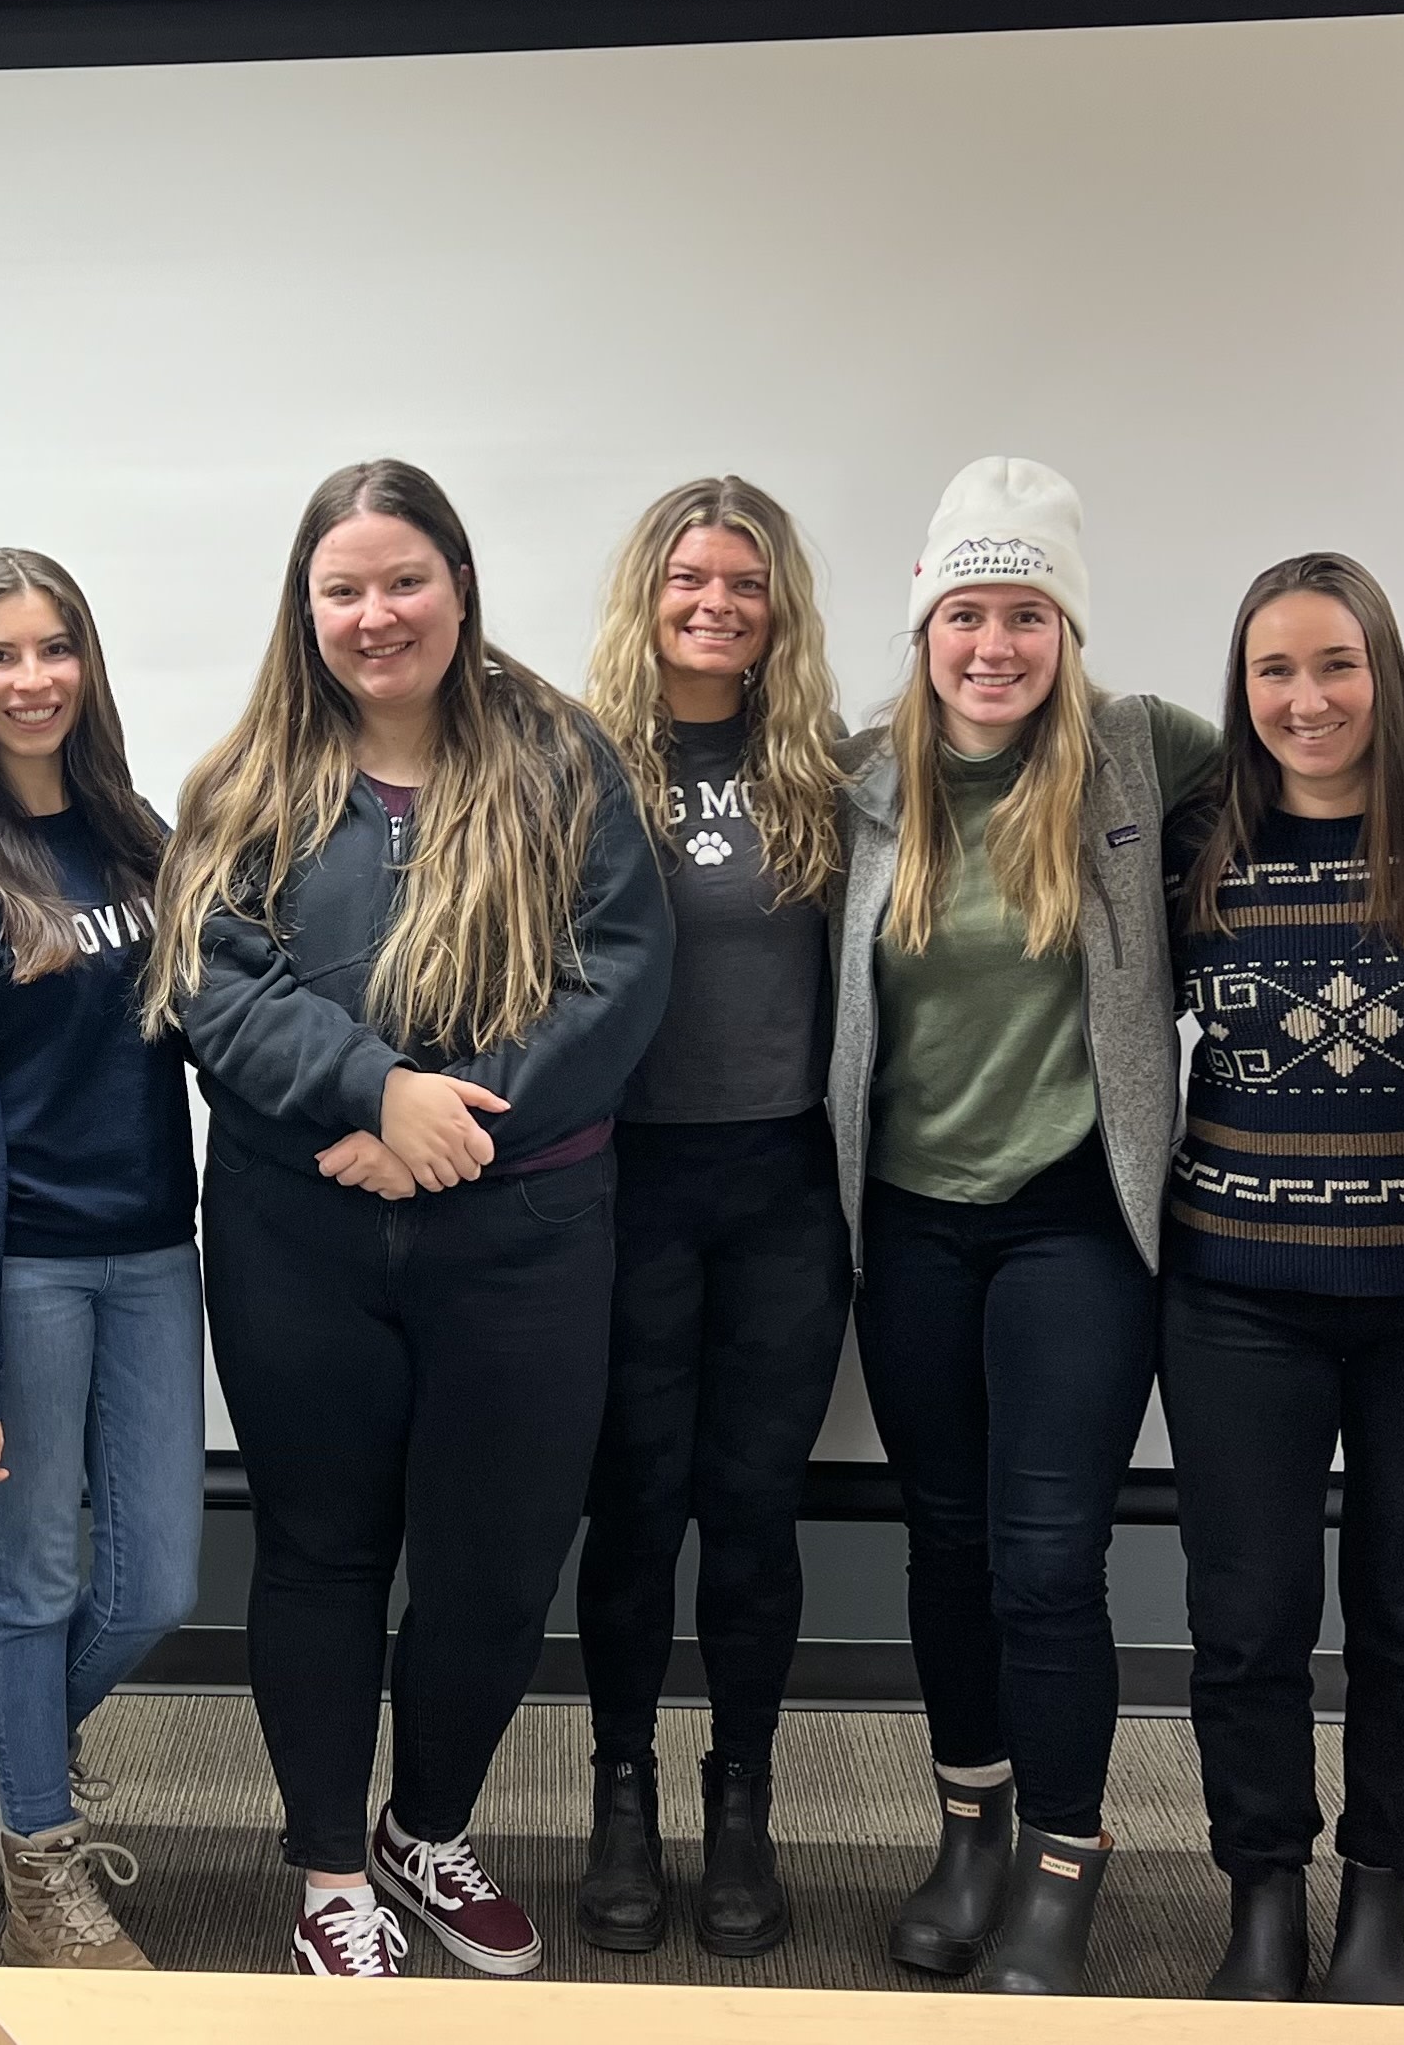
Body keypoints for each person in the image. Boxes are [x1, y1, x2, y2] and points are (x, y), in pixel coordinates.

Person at [148, 459, 673, 1983]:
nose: (376, 615)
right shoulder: (246, 782)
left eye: (403, 580)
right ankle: (327, 1870)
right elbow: (209, 986)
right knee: (317, 1553)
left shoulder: (567, 760)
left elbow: (622, 974)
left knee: (500, 1565)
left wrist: (457, 1124)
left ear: (457, 583)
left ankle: (422, 1831)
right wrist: (379, 1095)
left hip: (528, 1235)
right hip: (298, 1233)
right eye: (343, 589)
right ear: (304, 609)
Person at [840, 457, 1214, 1995]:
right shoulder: (862, 778)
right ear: (925, 626)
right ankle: (970, 1832)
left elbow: (1375, 735)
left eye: (1026, 616)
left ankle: (1066, 1860)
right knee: (945, 1544)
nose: (994, 645)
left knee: (1046, 1559)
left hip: (1076, 1222)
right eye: (966, 614)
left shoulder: (1141, 752)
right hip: (914, 1224)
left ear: (1065, 629)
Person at [1158, 553, 1404, 2006]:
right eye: (1274, 671)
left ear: (1384, 669)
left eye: (1336, 664)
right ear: (1240, 690)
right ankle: (1262, 1896)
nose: (1306, 700)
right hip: (1239, 1294)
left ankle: (1384, 1902)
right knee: (1246, 1616)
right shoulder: (1197, 838)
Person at [0, 550, 203, 1972]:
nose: (31, 680)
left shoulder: (139, 833)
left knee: (154, 1589)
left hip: (152, 1255)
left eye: (53, 648)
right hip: (23, 1273)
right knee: (34, 1585)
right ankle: (41, 1867)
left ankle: (1, 1741)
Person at [565, 476, 857, 1963]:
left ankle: (741, 1794)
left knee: (749, 1509)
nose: (716, 604)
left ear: (778, 605)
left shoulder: (828, 765)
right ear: (651, 590)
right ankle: (622, 1793)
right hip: (623, 1183)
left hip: (781, 1190)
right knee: (633, 1507)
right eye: (691, 578)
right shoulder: (575, 759)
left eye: (745, 583)